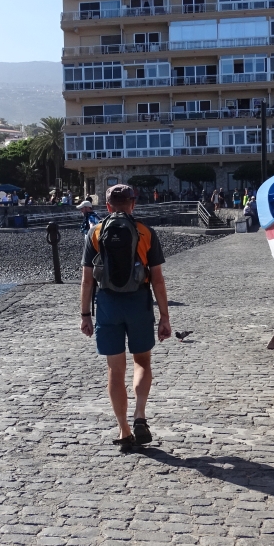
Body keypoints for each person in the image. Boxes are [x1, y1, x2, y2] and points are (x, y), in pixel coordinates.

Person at [79, 184, 171, 451]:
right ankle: (140, 415)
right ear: (133, 204)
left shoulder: (95, 233)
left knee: (115, 369)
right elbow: (158, 280)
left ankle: (124, 430)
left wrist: (85, 314)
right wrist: (164, 316)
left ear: (107, 206)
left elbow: (87, 281)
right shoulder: (145, 233)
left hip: (107, 303)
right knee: (142, 361)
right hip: (138, 301)